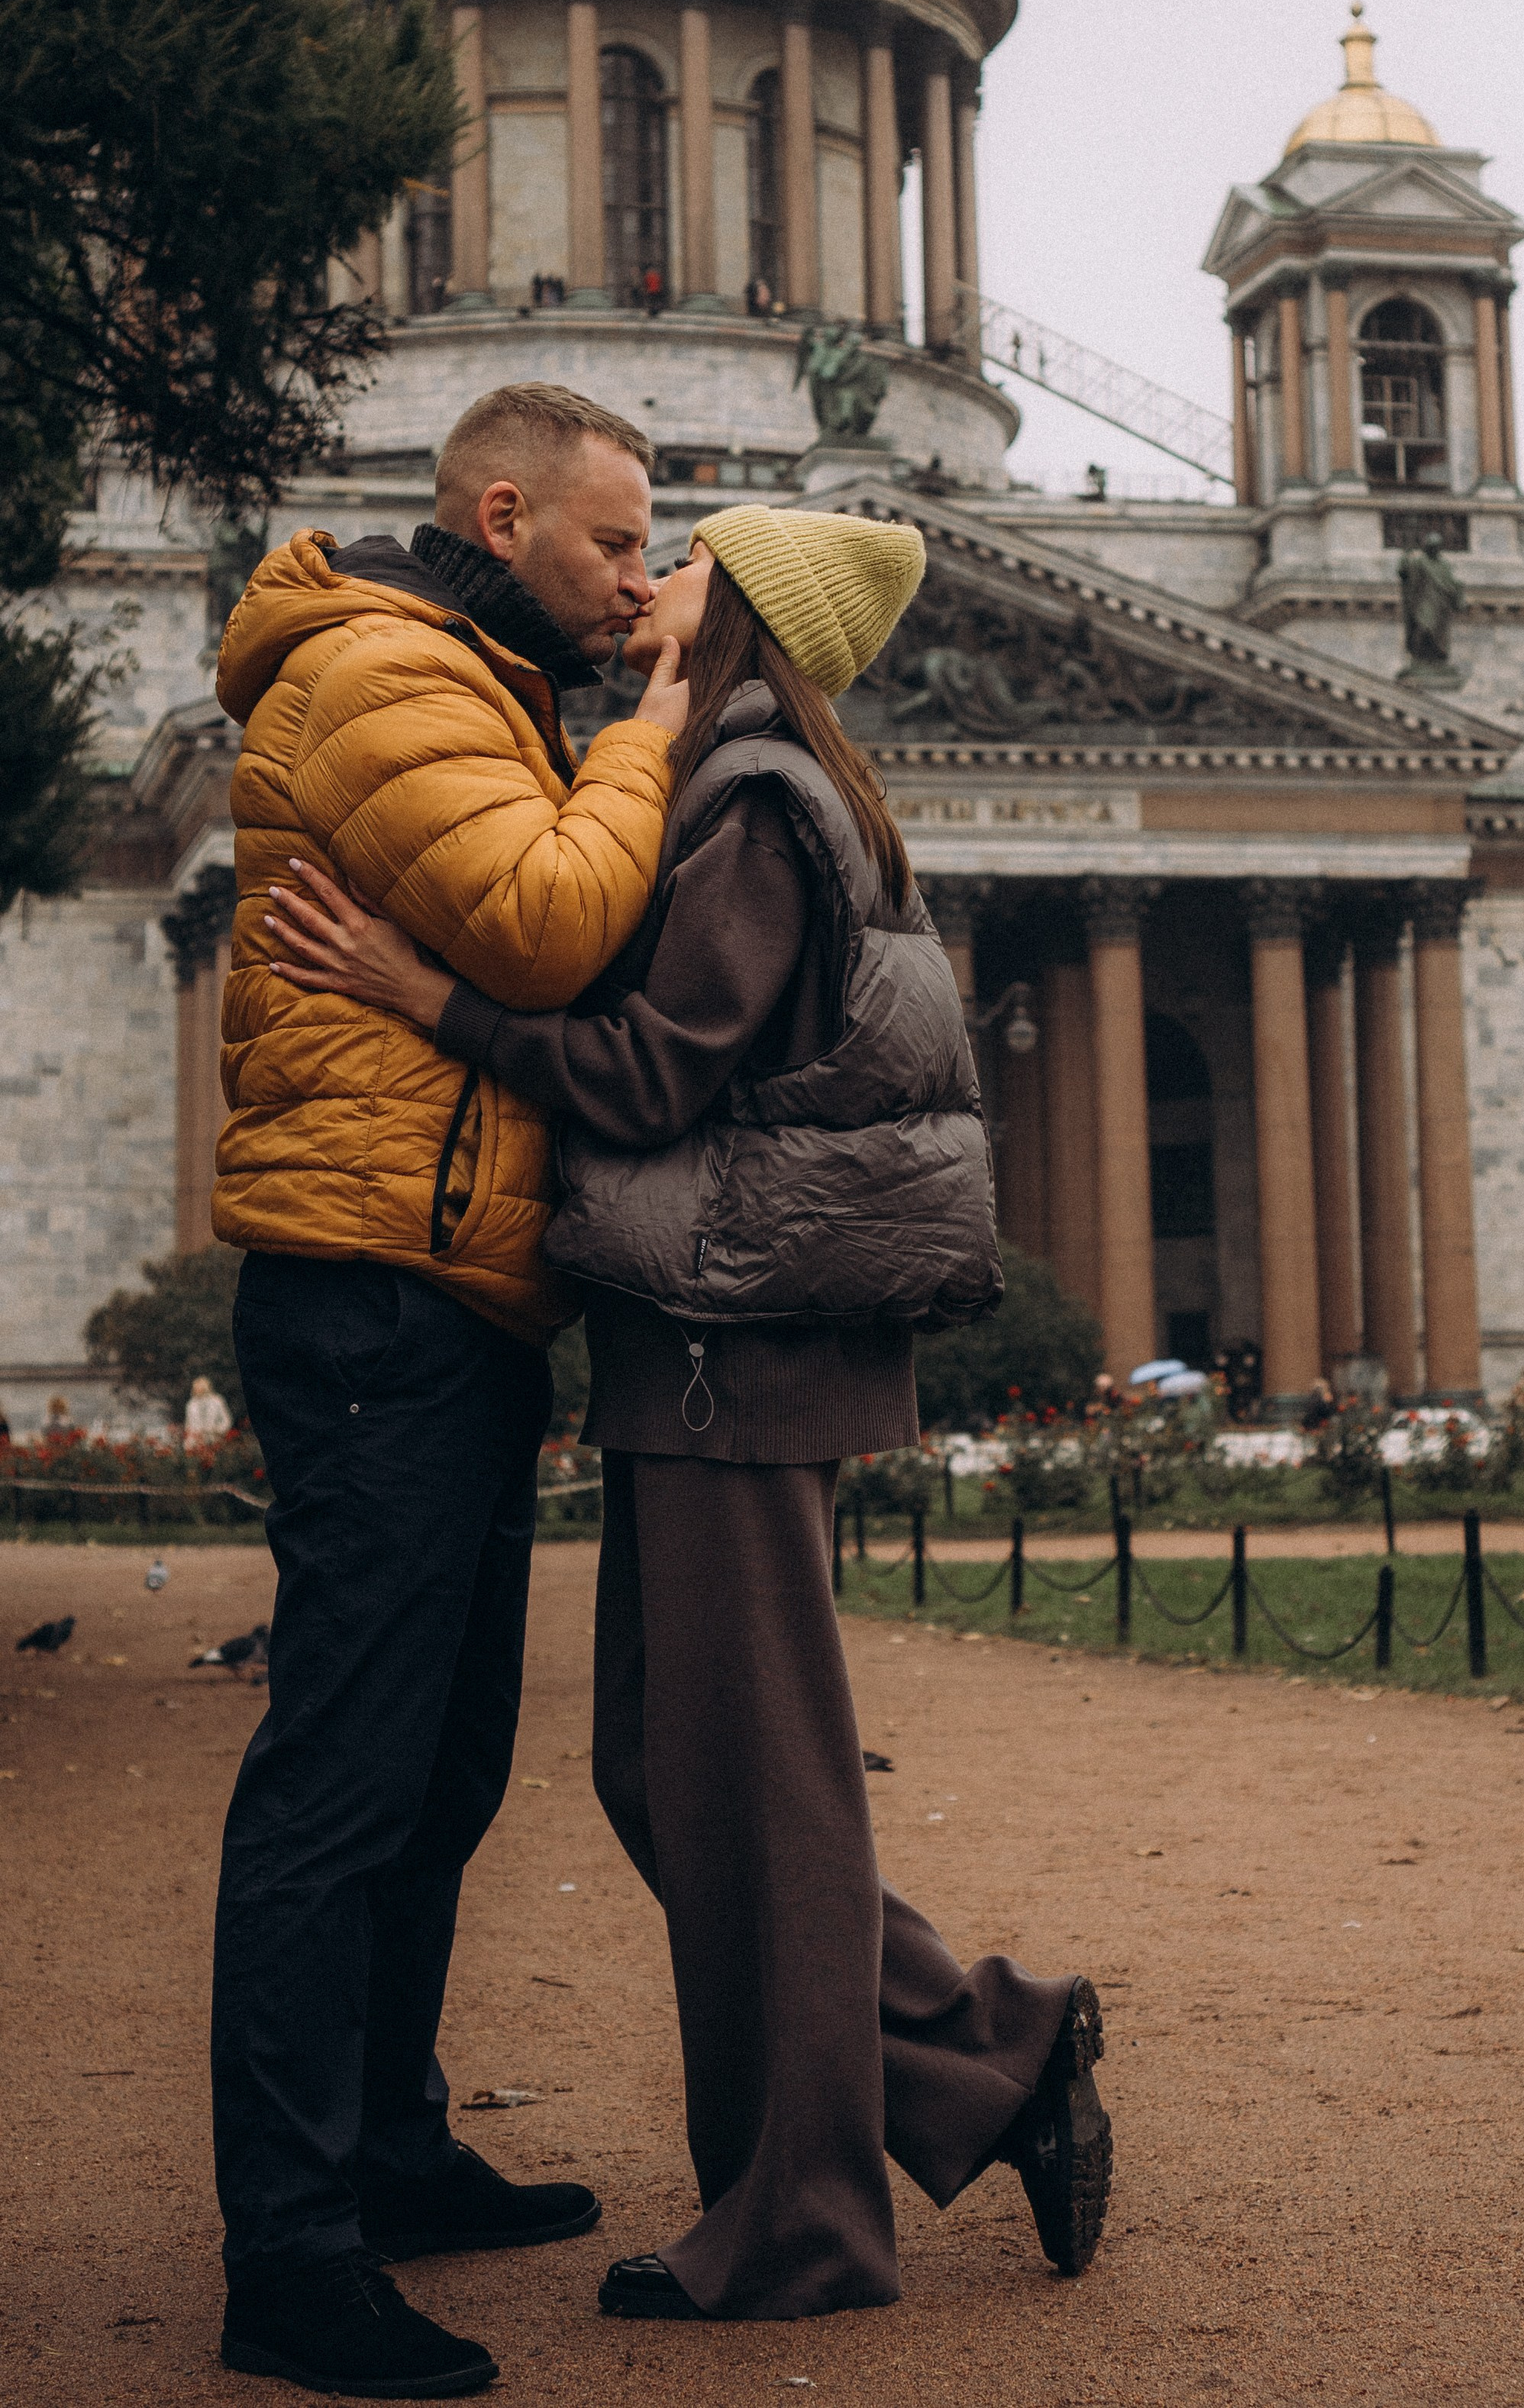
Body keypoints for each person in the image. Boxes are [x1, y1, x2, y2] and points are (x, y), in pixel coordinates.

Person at [262, 503, 1115, 2328]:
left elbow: (655, 1073)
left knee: (756, 1796)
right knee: (675, 1774)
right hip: (709, 1342)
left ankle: (804, 2220)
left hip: (735, 1345)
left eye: (686, 558)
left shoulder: (745, 798)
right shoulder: (738, 774)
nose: (648, 577)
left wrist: (429, 996)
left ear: (749, 615)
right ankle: (989, 2057)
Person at [207, 382, 695, 2400]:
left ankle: (387, 2149)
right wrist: (661, 724)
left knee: (439, 1768)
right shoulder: (388, 670)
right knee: (341, 1782)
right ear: (505, 516)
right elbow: (553, 925)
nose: (644, 583)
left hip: (452, 1289)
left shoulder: (479, 684)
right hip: (373, 1297)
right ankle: (290, 2253)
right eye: (615, 544)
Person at [185, 1374, 234, 1444]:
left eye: (199, 1387)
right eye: (195, 1388)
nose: (196, 1390)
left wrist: (217, 1430)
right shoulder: (191, 1404)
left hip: (215, 1439)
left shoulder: (217, 1401)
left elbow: (227, 1421)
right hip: (196, 1442)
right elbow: (188, 1425)